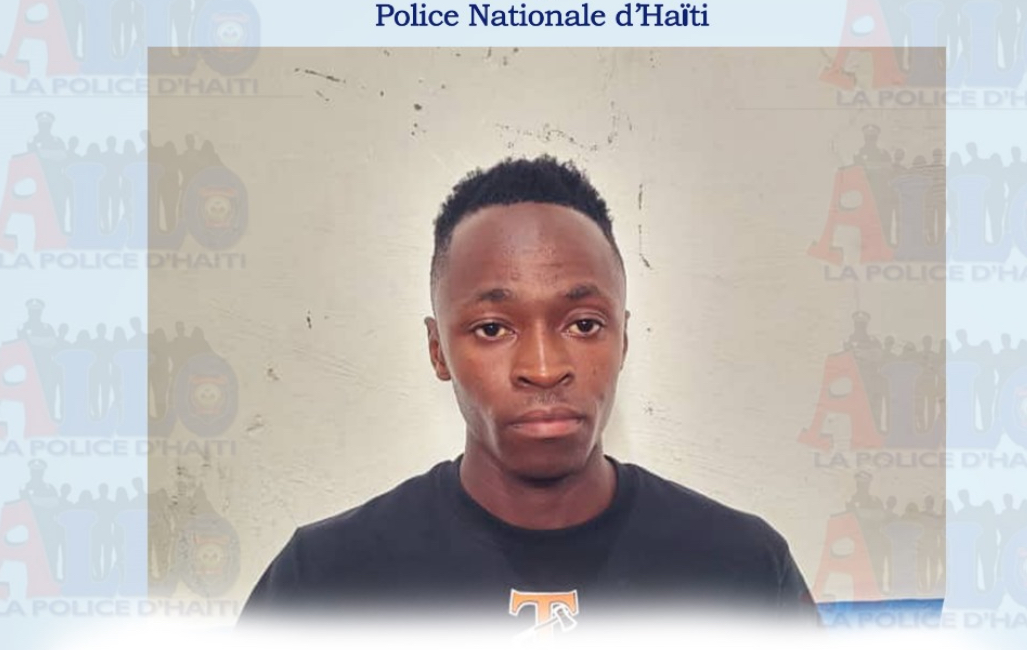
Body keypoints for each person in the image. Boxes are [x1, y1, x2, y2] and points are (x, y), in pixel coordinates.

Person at [241, 155, 816, 636]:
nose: (543, 369)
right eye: (493, 328)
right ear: (438, 351)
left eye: (584, 324)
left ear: (623, 339)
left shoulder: (742, 570)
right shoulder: (325, 581)